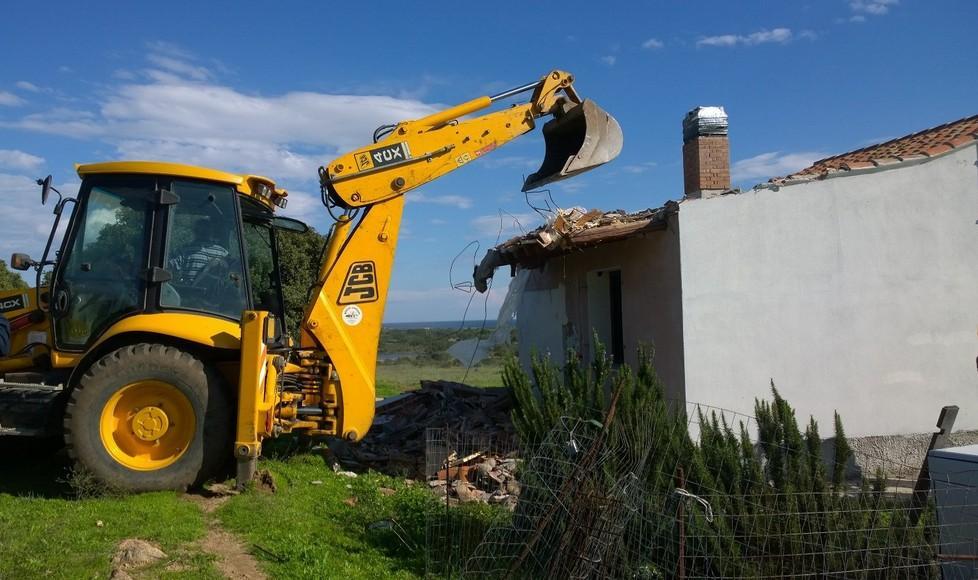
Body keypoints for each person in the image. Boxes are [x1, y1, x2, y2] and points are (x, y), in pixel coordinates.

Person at [170, 218, 229, 283]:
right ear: (212, 232)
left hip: (187, 291)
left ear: (194, 231)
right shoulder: (223, 252)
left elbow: (170, 268)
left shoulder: (184, 250)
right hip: (214, 292)